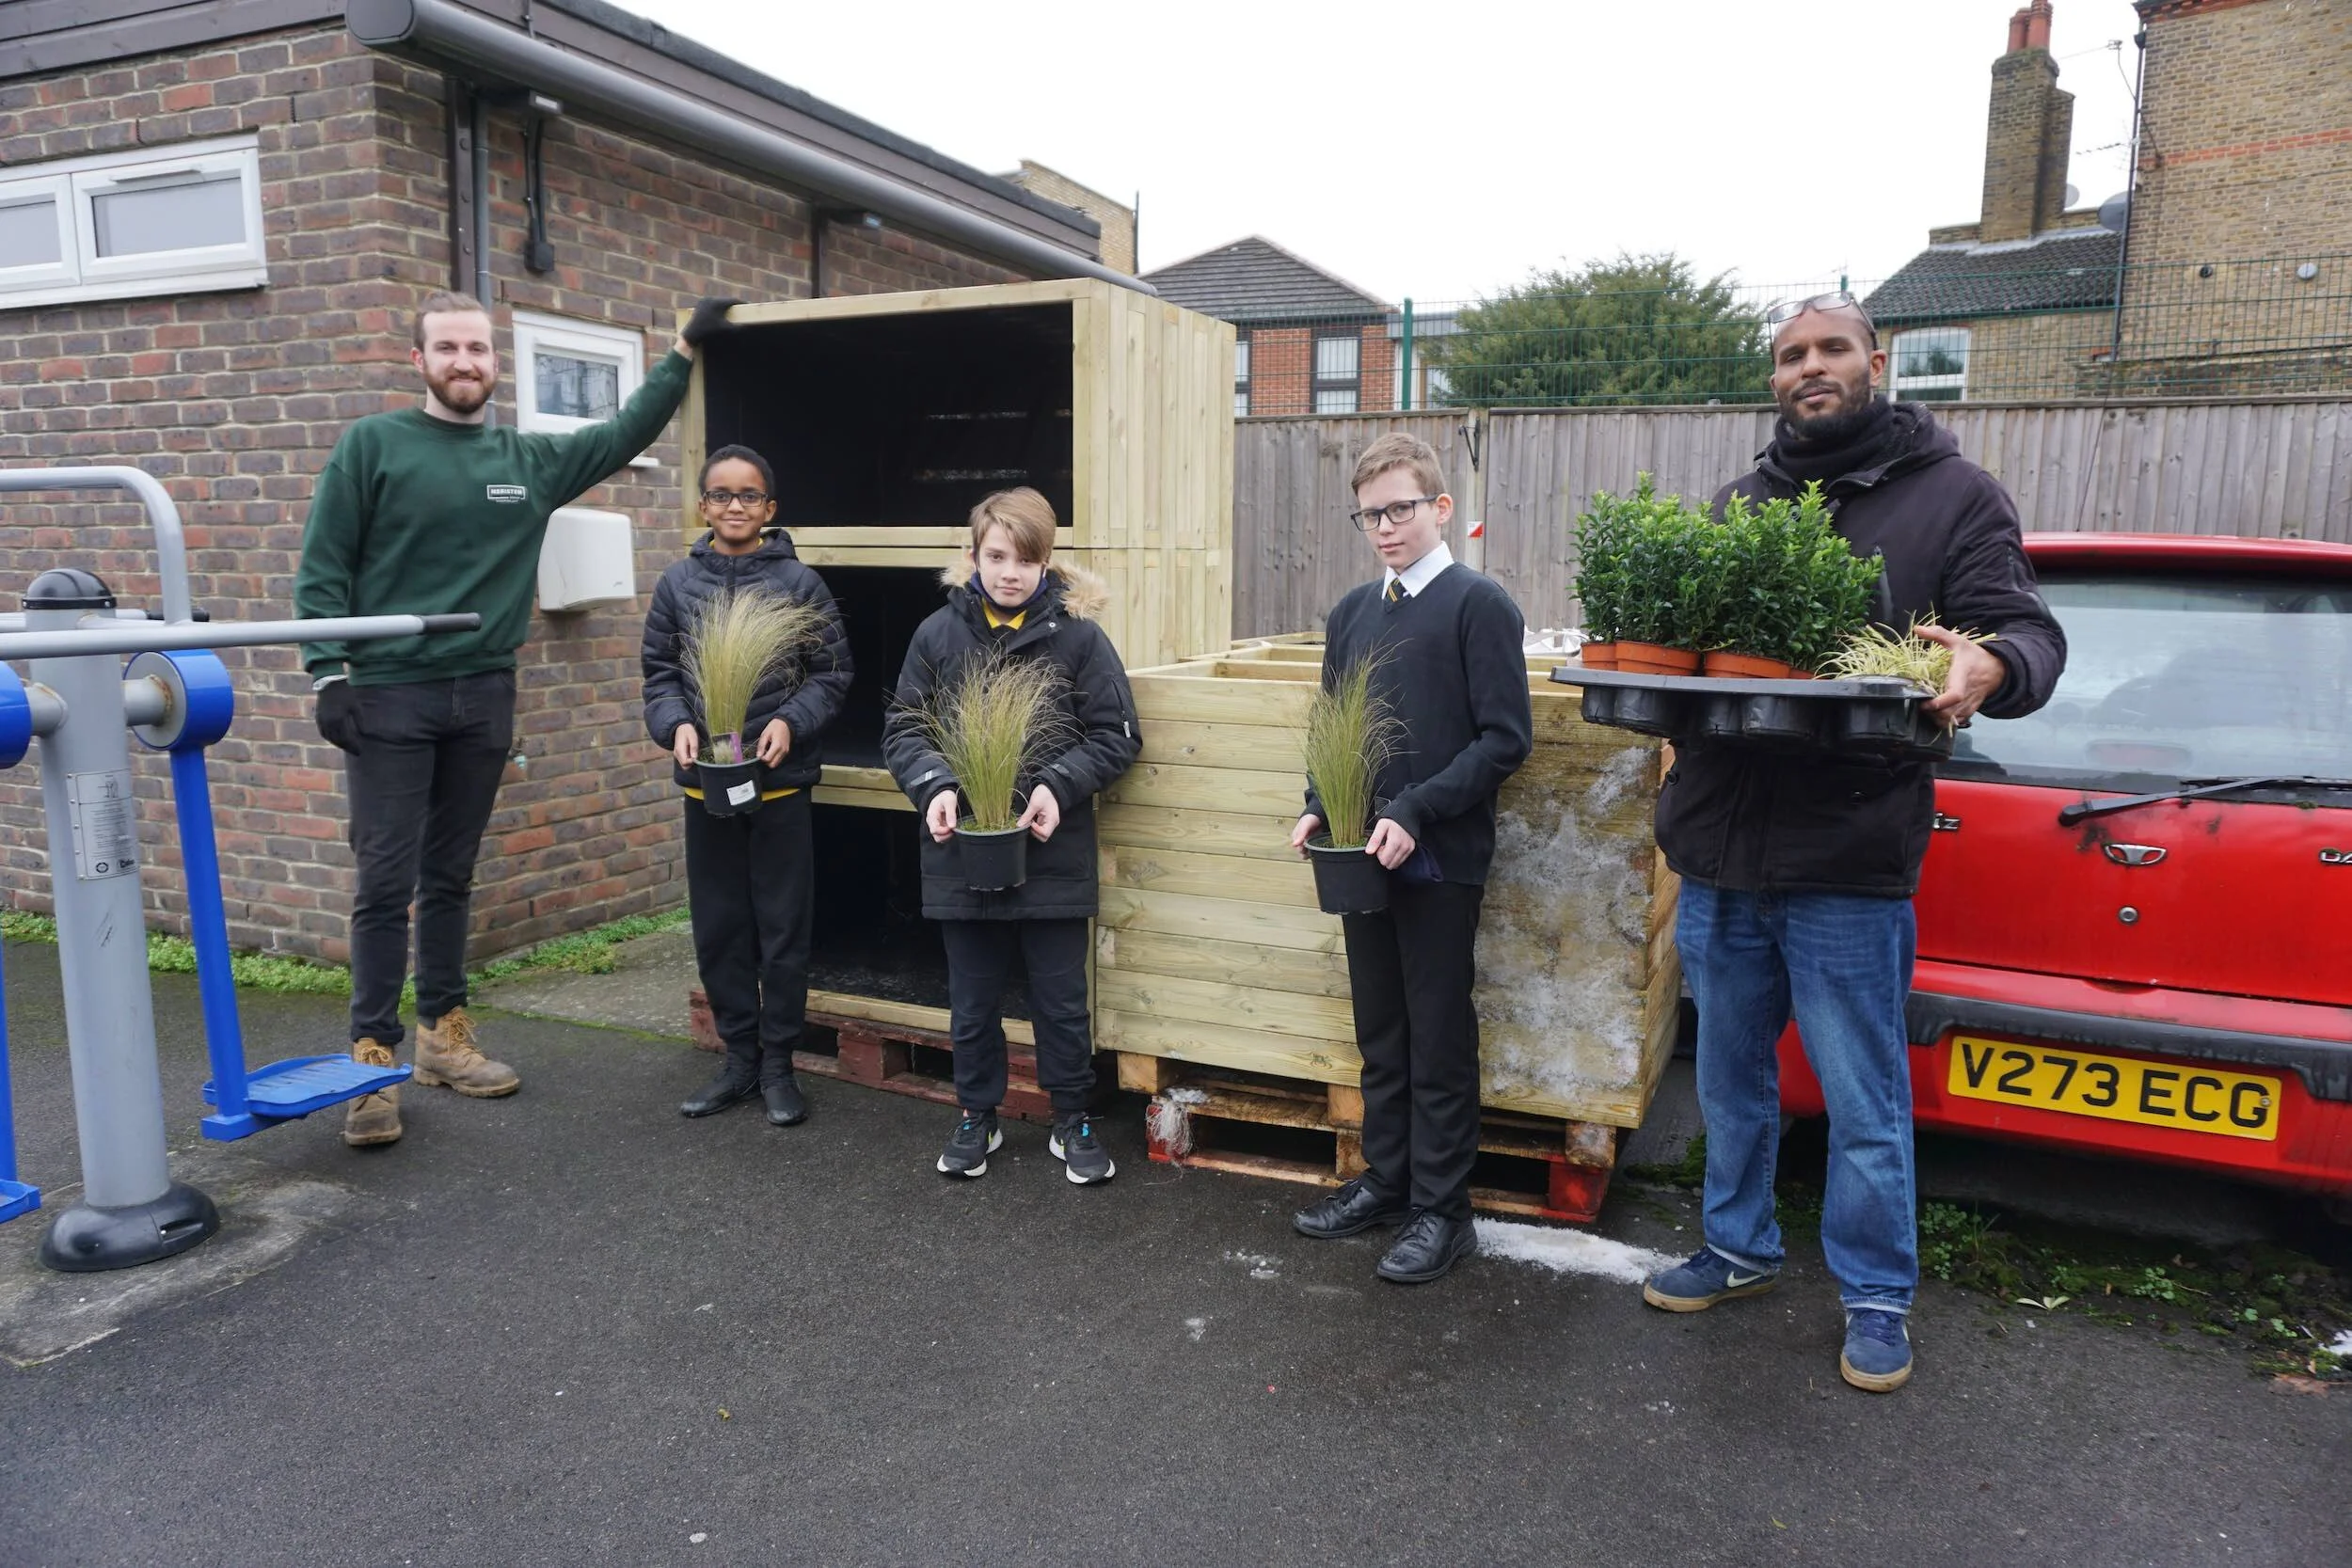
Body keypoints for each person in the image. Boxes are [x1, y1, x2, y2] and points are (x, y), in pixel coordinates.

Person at [1638, 292, 2067, 1391]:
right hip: (1723, 854)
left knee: (1863, 1094)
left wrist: (1990, 665)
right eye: (1790, 355)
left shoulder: (1955, 498)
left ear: (1876, 362)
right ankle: (1736, 1245)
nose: (1809, 368)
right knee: (1730, 1080)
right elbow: (1688, 660)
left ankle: (1876, 1292)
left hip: (1848, 858)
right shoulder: (1741, 504)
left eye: (1830, 349)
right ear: (1773, 376)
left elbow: (2027, 633)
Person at [296, 290, 739, 1148]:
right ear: (418, 360)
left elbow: (621, 435)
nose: (467, 362)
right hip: (387, 692)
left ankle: (443, 1036)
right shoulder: (373, 445)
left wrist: (683, 349)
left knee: (452, 875)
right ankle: (371, 1060)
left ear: (495, 363)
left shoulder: (524, 460)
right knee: (385, 881)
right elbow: (324, 563)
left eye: (479, 349)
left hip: (483, 692)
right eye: (449, 349)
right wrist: (329, 675)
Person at [1287, 433, 1534, 1284]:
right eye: (1370, 514)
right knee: (1381, 1031)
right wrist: (1323, 806)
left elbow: (1506, 739)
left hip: (1441, 859)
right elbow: (1333, 730)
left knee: (1437, 1037)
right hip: (1361, 857)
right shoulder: (1354, 612)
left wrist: (1416, 810)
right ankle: (1387, 1181)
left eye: (1399, 509)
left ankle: (1443, 1209)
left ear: (1439, 507)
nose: (1385, 527)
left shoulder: (1478, 605)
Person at [881, 487, 1140, 1184]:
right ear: (973, 556)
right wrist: (935, 786)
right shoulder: (936, 635)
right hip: (960, 851)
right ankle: (977, 1114)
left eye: (1027, 558)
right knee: (972, 998)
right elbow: (903, 729)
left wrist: (1058, 784)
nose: (1010, 572)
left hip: (1054, 852)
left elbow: (1117, 736)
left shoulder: (1080, 638)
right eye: (997, 556)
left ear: (1047, 561)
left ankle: (1072, 1118)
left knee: (1060, 1000)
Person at [642, 443, 851, 1128]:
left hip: (780, 785)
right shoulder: (677, 583)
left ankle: (778, 1066)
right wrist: (673, 723)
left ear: (771, 508)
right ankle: (737, 1058)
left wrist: (792, 721)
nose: (736, 505)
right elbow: (659, 675)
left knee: (783, 927)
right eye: (722, 494)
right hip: (706, 787)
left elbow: (831, 673)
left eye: (750, 495)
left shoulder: (800, 584)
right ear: (702, 505)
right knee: (721, 926)